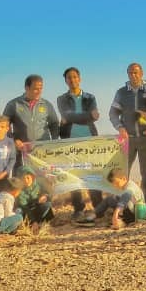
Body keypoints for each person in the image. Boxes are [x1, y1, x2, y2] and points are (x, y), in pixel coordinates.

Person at [109, 62, 146, 202]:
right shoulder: (121, 92)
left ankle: (144, 203)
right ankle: (123, 203)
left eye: (136, 72)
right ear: (127, 74)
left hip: (145, 138)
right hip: (127, 139)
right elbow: (113, 113)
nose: (133, 75)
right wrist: (120, 127)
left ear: (142, 73)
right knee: (123, 173)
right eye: (130, 73)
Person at [56, 67, 101, 216]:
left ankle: (98, 206)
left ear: (79, 79)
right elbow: (68, 115)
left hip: (89, 141)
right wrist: (88, 116)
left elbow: (69, 117)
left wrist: (71, 117)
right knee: (73, 175)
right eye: (69, 77)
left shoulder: (90, 97)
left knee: (92, 174)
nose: (72, 80)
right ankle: (78, 209)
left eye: (75, 77)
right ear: (65, 81)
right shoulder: (61, 99)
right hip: (70, 141)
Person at [3, 74, 60, 159]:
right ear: (27, 88)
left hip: (43, 151)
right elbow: (3, 125)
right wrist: (13, 140)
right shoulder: (13, 104)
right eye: (36, 89)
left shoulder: (46, 104)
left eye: (41, 88)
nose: (39, 92)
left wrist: (54, 141)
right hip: (22, 150)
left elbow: (54, 123)